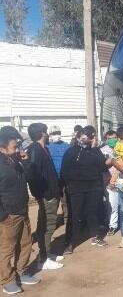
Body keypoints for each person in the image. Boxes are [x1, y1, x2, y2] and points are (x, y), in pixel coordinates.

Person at [0, 132, 41, 294]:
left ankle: (22, 272)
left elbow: (29, 177)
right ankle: (7, 280)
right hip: (9, 214)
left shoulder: (15, 161)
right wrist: (3, 215)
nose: (17, 149)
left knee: (26, 244)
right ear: (2, 149)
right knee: (6, 249)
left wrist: (26, 161)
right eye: (14, 147)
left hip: (22, 210)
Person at [62, 126, 110, 252]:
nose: (87, 140)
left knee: (93, 213)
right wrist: (69, 185)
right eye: (85, 137)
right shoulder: (71, 151)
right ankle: (70, 242)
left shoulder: (95, 151)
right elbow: (64, 171)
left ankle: (95, 236)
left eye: (91, 137)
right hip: (76, 188)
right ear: (79, 138)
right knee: (74, 215)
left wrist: (95, 149)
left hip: (94, 188)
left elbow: (102, 167)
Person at [25, 123, 63, 269]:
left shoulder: (43, 148)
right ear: (42, 133)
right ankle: (44, 259)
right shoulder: (34, 150)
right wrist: (44, 194)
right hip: (47, 196)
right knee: (47, 226)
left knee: (47, 226)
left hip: (51, 193)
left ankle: (46, 253)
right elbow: (33, 176)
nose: (48, 134)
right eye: (46, 132)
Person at [46, 125, 71, 226]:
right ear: (50, 135)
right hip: (53, 180)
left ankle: (67, 219)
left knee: (65, 200)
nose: (56, 135)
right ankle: (52, 221)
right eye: (54, 133)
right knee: (54, 201)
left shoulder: (66, 145)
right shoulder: (47, 147)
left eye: (58, 133)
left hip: (65, 179)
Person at [99, 130, 120, 236]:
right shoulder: (102, 151)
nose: (113, 139)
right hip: (108, 181)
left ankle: (114, 224)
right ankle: (112, 225)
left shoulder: (120, 148)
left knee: (117, 204)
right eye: (110, 138)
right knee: (111, 204)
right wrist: (111, 160)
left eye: (115, 137)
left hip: (120, 179)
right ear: (106, 139)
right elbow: (102, 165)